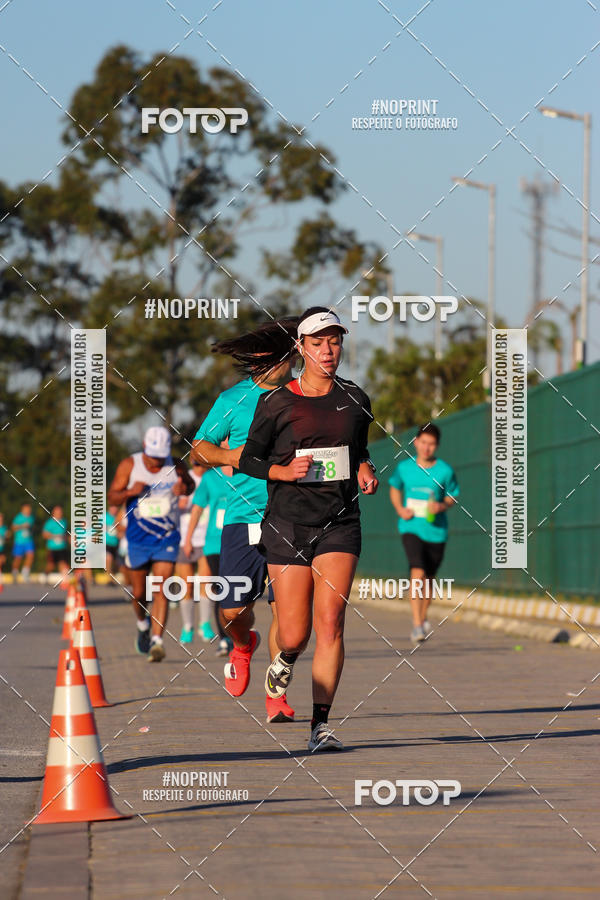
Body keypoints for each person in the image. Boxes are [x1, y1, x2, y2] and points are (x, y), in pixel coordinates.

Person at [239, 307, 378, 751]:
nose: (327, 350)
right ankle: (282, 659)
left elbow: (359, 450)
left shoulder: (356, 399)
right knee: (295, 633)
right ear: (300, 348)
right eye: (317, 342)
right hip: (287, 524)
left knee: (331, 623)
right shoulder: (277, 401)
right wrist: (280, 472)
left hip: (339, 523)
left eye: (335, 341)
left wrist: (364, 469)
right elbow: (249, 459)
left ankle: (320, 727)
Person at [191, 320, 298, 724]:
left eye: (270, 355)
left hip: (291, 519)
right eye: (255, 357)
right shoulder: (232, 400)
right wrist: (232, 457)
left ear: (289, 358)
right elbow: (199, 448)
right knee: (233, 610)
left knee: (286, 615)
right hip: (241, 520)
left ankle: (277, 696)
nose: (261, 364)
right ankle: (242, 644)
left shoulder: (304, 396)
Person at [107, 425, 195, 661]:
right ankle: (142, 623)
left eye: (161, 457)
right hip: (137, 538)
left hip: (167, 535)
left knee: (160, 589)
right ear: (145, 448)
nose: (157, 462)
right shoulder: (129, 465)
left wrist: (183, 487)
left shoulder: (175, 464)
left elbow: (190, 485)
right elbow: (111, 495)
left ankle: (157, 641)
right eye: (153, 457)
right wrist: (129, 492)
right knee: (138, 593)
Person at [388, 423, 459, 643]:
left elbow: (452, 496)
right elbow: (394, 488)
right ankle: (418, 624)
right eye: (423, 443)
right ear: (416, 443)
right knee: (417, 571)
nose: (426, 448)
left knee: (428, 579)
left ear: (436, 446)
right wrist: (400, 509)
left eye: (431, 444)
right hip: (410, 527)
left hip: (436, 531)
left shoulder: (445, 471)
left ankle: (423, 614)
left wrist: (442, 506)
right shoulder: (404, 468)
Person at [183, 462, 233, 656]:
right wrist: (188, 539)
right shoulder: (210, 478)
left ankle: (239, 633)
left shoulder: (247, 473)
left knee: (240, 590)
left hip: (241, 541)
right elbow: (197, 509)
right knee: (221, 589)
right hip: (214, 543)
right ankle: (225, 638)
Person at [176, 461, 214, 644]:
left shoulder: (213, 478)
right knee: (186, 585)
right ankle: (187, 626)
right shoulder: (184, 479)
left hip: (206, 537)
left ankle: (205, 624)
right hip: (184, 539)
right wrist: (179, 502)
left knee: (206, 583)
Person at [42, 506, 70, 578]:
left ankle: (65, 579)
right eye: (57, 512)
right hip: (52, 547)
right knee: (51, 565)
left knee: (63, 563)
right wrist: (54, 536)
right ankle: (45, 575)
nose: (59, 514)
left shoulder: (64, 521)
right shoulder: (49, 523)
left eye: (60, 512)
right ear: (53, 513)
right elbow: (44, 535)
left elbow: (66, 533)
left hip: (62, 547)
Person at [12, 503, 35, 582]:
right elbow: (13, 527)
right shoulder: (18, 517)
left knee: (30, 555)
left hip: (28, 540)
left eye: (29, 509)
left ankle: (25, 572)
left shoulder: (31, 517)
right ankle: (15, 572)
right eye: (27, 509)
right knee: (18, 558)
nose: (28, 511)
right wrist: (22, 526)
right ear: (23, 509)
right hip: (19, 541)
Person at [105, 505, 121, 574]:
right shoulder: (104, 517)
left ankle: (113, 576)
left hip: (116, 543)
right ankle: (108, 576)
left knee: (117, 562)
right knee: (108, 558)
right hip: (105, 543)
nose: (114, 509)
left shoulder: (118, 517)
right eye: (113, 507)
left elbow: (121, 532)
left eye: (116, 507)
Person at [0, 513, 8, 591]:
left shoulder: (4, 528)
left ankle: (0, 583)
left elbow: (7, 538)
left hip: (2, 549)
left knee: (1, 563)